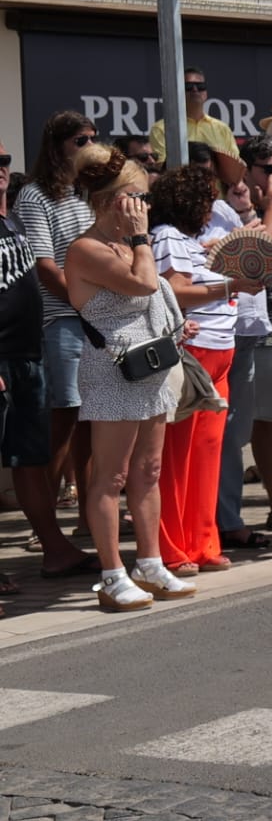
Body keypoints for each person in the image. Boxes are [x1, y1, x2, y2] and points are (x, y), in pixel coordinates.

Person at [64, 146, 196, 610]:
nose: (144, 207)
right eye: (136, 197)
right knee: (111, 475)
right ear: (108, 200)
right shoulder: (86, 249)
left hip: (151, 367)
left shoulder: (127, 245)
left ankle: (150, 562)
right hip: (114, 373)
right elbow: (141, 284)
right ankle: (112, 572)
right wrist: (142, 240)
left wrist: (176, 324)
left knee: (148, 471)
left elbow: (151, 297)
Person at [146, 165, 255, 577]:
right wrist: (232, 286)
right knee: (179, 457)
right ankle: (173, 548)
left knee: (206, 454)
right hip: (193, 354)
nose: (211, 209)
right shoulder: (169, 236)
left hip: (218, 353)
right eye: (207, 201)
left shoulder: (189, 239)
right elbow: (175, 291)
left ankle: (203, 543)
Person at [0, 138, 93, 592]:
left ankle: (56, 550)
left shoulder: (12, 222)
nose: (0, 169)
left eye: (3, 161)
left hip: (25, 356)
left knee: (30, 460)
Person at [218, 137, 272, 550]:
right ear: (246, 172)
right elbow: (259, 263)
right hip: (254, 332)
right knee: (253, 425)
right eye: (268, 169)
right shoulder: (230, 212)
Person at [19, 110, 99, 513]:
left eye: (93, 139)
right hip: (61, 319)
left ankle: (88, 515)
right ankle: (45, 524)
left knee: (88, 422)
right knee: (63, 423)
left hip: (93, 319)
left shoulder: (87, 194)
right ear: (57, 147)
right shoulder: (34, 195)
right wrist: (86, 303)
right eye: (80, 140)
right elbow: (44, 267)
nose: (90, 147)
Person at [148, 68, 237, 162]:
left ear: (206, 93)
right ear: (178, 91)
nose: (195, 90)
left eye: (201, 86)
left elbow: (235, 166)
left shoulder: (223, 129)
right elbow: (162, 167)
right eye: (188, 86)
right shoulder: (162, 129)